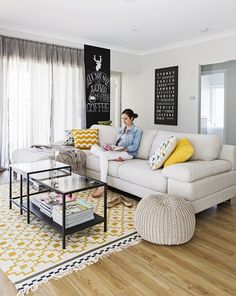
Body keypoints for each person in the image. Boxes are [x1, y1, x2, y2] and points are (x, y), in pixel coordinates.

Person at [90, 109, 142, 198]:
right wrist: (112, 147)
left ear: (132, 118)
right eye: (122, 119)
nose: (123, 121)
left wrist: (123, 149)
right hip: (117, 151)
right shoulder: (122, 130)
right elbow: (117, 143)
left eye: (126, 119)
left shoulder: (137, 130)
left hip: (128, 153)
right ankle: (113, 157)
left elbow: (135, 146)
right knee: (93, 148)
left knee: (103, 155)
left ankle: (103, 185)